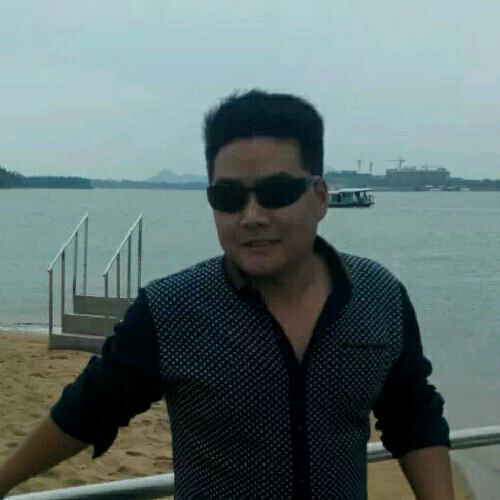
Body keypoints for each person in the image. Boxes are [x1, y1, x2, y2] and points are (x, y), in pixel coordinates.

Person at [0, 90, 454, 499]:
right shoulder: (173, 310)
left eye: (275, 192)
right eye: (228, 197)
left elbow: (412, 414)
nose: (251, 216)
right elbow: (90, 407)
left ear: (319, 197)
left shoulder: (378, 297)